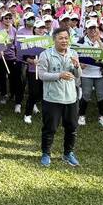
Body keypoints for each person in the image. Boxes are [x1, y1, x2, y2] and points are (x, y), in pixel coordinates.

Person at [37, 28, 82, 167]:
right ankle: (46, 153)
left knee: (72, 127)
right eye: (60, 38)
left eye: (66, 38)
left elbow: (78, 75)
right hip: (52, 98)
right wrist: (59, 75)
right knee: (50, 128)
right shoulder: (46, 54)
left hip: (70, 97)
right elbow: (42, 75)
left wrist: (77, 66)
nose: (64, 41)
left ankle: (68, 153)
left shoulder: (73, 53)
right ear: (54, 39)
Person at [78, 19, 103, 127]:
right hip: (86, 73)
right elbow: (75, 57)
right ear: (86, 30)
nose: (92, 30)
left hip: (99, 73)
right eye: (90, 28)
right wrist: (79, 64)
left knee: (100, 95)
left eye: (94, 28)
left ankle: (102, 116)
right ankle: (81, 115)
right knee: (86, 94)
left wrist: (99, 41)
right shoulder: (81, 41)